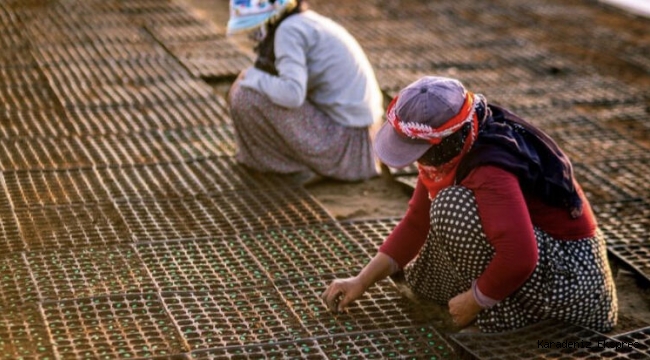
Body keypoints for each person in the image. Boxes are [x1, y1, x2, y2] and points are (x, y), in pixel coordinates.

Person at [321, 76, 618, 333]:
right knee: (435, 249)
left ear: (445, 141)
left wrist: (475, 300)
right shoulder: (458, 143)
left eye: (419, 151)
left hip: (573, 283)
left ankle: (500, 317)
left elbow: (520, 255)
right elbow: (416, 223)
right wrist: (360, 281)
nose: (415, 160)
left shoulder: (490, 168)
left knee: (452, 208)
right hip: (539, 255)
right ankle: (492, 300)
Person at [225, 0, 383, 184]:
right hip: (361, 139)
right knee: (250, 87)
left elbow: (292, 94)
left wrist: (252, 76)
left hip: (349, 147)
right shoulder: (302, 21)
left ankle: (295, 167)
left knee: (246, 95)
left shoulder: (288, 30)